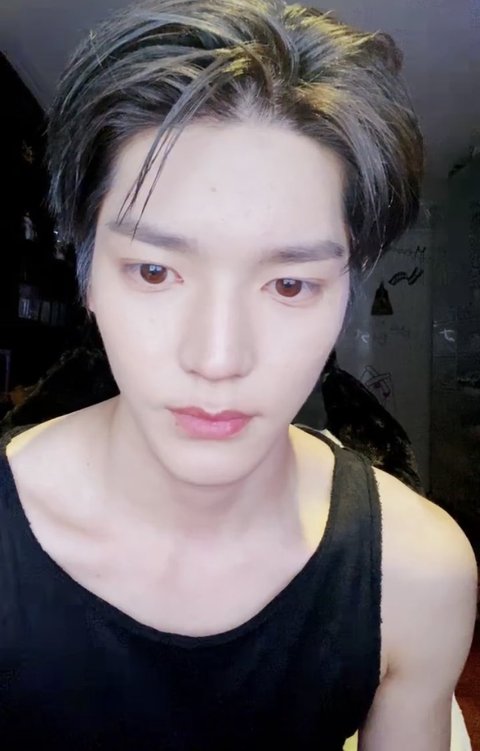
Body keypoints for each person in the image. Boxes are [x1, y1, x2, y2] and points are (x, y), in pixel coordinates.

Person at [0, 1, 477, 749]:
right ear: (87, 275)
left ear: (346, 290)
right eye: (154, 271)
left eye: (289, 284)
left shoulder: (417, 572)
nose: (218, 358)